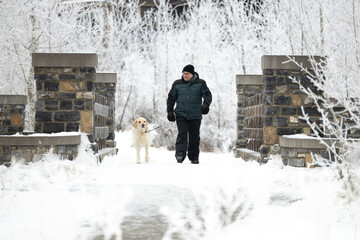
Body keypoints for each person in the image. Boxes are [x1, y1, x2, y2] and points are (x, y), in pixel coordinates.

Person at [167, 64, 212, 164]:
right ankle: (180, 154)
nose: (184, 75)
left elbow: (208, 95)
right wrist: (170, 111)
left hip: (195, 114)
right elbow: (171, 98)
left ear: (192, 74)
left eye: (187, 74)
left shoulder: (201, 83)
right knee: (182, 133)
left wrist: (206, 105)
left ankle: (194, 156)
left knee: (194, 136)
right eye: (183, 73)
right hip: (181, 114)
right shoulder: (177, 84)